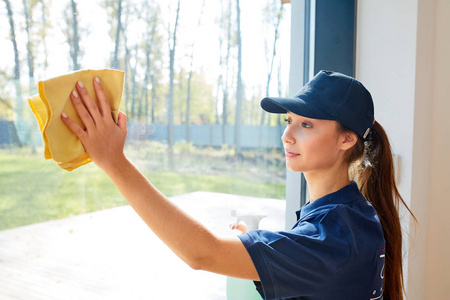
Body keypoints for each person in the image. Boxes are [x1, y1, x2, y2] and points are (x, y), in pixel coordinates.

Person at [61, 70, 416, 300]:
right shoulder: (353, 215)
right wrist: (261, 248)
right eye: (290, 120)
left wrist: (114, 162)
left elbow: (203, 253)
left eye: (307, 125)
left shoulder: (334, 235)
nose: (287, 135)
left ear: (346, 140)